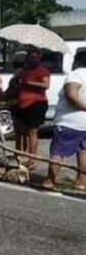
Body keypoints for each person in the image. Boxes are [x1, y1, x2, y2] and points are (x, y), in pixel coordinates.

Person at [44, 51, 86, 191]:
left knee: (58, 152)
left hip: (69, 121)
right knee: (83, 152)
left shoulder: (76, 75)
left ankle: (50, 180)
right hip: (83, 123)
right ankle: (81, 182)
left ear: (77, 61)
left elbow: (72, 95)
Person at [16, 48, 50, 169]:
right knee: (21, 130)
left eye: (35, 57)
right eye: (30, 57)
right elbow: (16, 83)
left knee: (32, 132)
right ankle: (21, 155)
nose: (32, 59)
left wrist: (30, 83)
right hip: (22, 103)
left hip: (36, 103)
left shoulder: (42, 71)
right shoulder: (24, 71)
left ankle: (32, 159)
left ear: (39, 58)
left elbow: (46, 85)